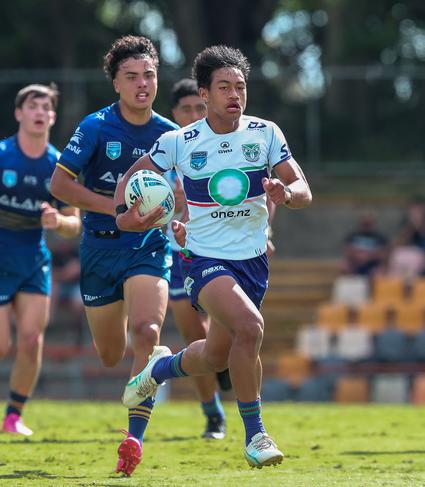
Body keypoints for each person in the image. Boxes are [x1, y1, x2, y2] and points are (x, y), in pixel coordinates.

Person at [114, 45, 312, 469]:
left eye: (240, 86)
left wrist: (286, 193)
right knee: (250, 326)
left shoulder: (267, 133)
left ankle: (156, 372)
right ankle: (256, 436)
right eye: (224, 86)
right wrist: (128, 218)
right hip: (203, 260)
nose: (234, 94)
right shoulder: (179, 142)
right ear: (205, 93)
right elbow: (131, 180)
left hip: (254, 261)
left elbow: (303, 189)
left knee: (217, 355)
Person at [50, 35, 178, 476]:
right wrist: (119, 209)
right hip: (100, 250)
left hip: (148, 248)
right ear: (117, 84)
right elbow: (60, 185)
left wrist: (177, 217)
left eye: (149, 75)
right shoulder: (97, 126)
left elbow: (182, 192)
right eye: (132, 77)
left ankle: (133, 439)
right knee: (110, 353)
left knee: (148, 331)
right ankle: (130, 355)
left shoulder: (170, 135)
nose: (143, 84)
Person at [0, 84, 80, 437]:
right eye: (33, 106)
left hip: (34, 263)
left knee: (31, 338)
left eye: (46, 107)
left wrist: (59, 222)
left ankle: (13, 415)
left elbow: (75, 222)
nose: (40, 112)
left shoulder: (59, 165)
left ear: (52, 117)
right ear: (19, 114)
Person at [166, 78, 227, 439]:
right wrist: (168, 202)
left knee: (232, 333)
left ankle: (228, 376)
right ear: (173, 114)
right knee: (193, 334)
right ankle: (213, 414)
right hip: (178, 255)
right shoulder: (166, 149)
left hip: (222, 250)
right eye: (185, 109)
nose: (193, 115)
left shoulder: (225, 145)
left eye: (199, 108)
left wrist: (266, 233)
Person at [339, 210, 388, 276]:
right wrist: (358, 256)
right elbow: (347, 250)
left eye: (368, 223)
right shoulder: (352, 236)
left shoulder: (380, 237)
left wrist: (368, 257)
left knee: (381, 270)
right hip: (355, 263)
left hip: (373, 264)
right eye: (365, 223)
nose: (366, 225)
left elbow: (383, 253)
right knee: (343, 264)